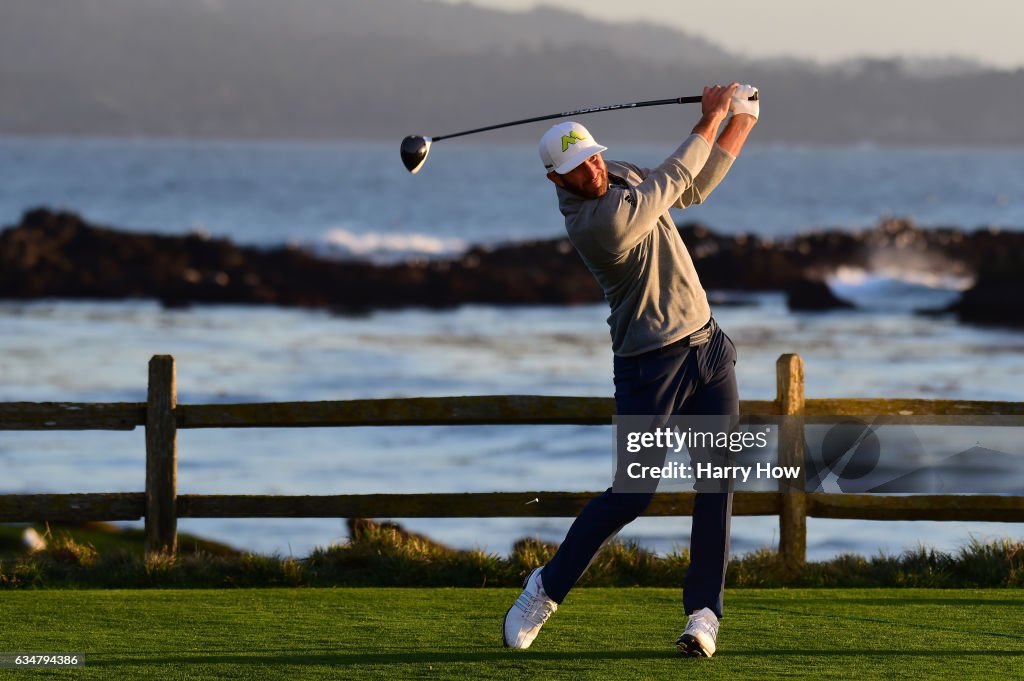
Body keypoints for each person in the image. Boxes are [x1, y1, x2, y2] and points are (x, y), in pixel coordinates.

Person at [502, 83, 759, 658]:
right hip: (651, 365)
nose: (592, 169)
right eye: (576, 167)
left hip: (709, 350)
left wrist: (742, 120)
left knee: (717, 482)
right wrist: (711, 116)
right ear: (555, 181)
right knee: (631, 493)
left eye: (592, 156)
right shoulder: (596, 224)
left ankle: (703, 615)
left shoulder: (615, 173)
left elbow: (691, 188)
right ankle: (545, 588)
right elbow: (670, 179)